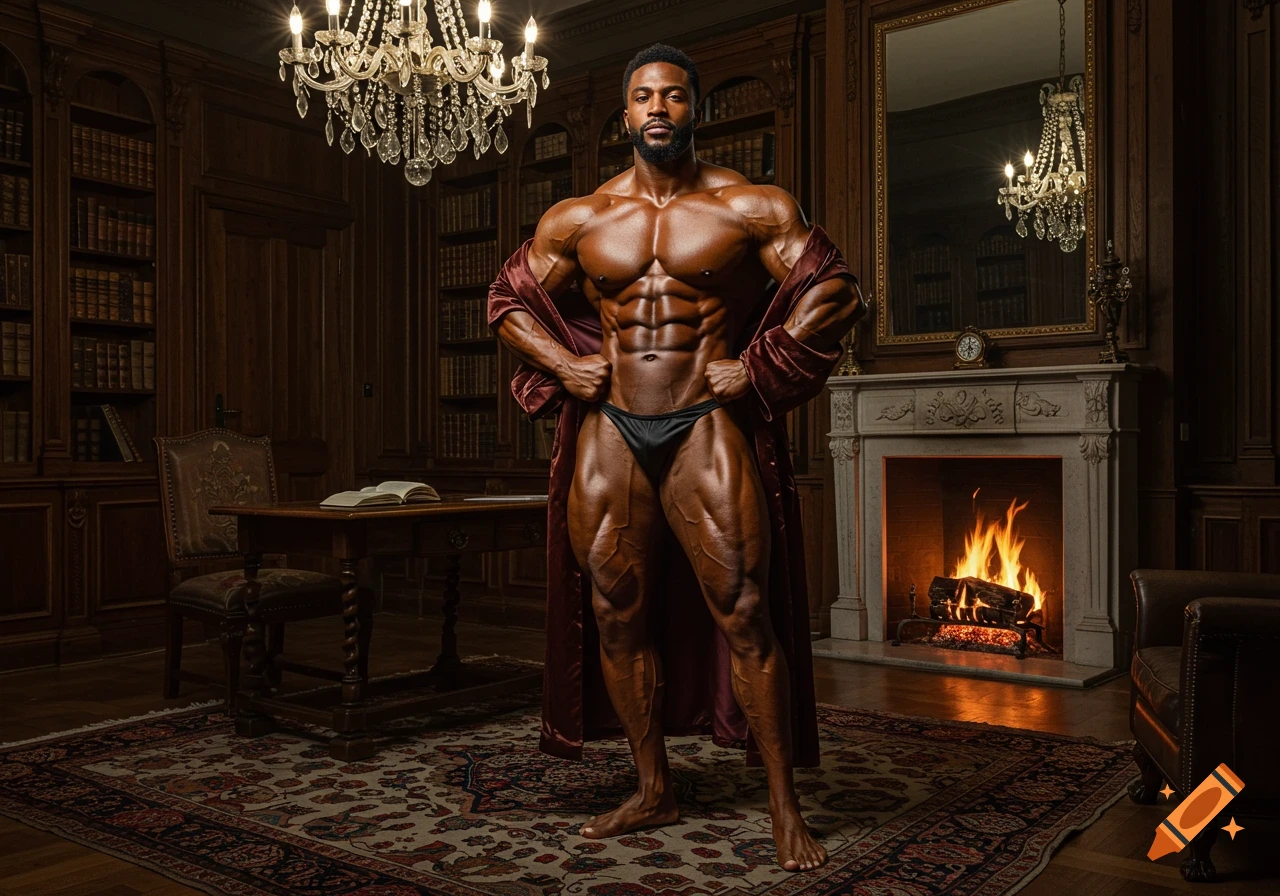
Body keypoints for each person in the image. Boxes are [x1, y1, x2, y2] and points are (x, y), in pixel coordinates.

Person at [487, 43, 863, 872]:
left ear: (698, 109)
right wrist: (563, 364)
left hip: (702, 422)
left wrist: (757, 363)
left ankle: (782, 803)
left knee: (746, 609)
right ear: (624, 116)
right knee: (617, 612)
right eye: (644, 97)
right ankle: (652, 784)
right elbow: (507, 300)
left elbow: (835, 290)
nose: (659, 108)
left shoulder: (748, 205)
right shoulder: (579, 218)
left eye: (675, 96)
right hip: (611, 427)